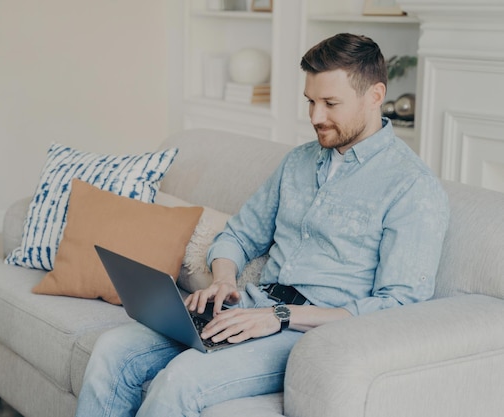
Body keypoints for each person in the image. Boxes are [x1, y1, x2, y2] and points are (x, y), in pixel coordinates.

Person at [74, 33, 450, 417]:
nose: (316, 117)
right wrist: (223, 279)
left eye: (330, 104)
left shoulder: (412, 186)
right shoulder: (298, 162)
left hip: (308, 334)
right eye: (311, 102)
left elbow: (398, 306)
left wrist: (279, 316)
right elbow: (238, 235)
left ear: (375, 95)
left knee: (180, 380)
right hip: (251, 306)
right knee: (112, 350)